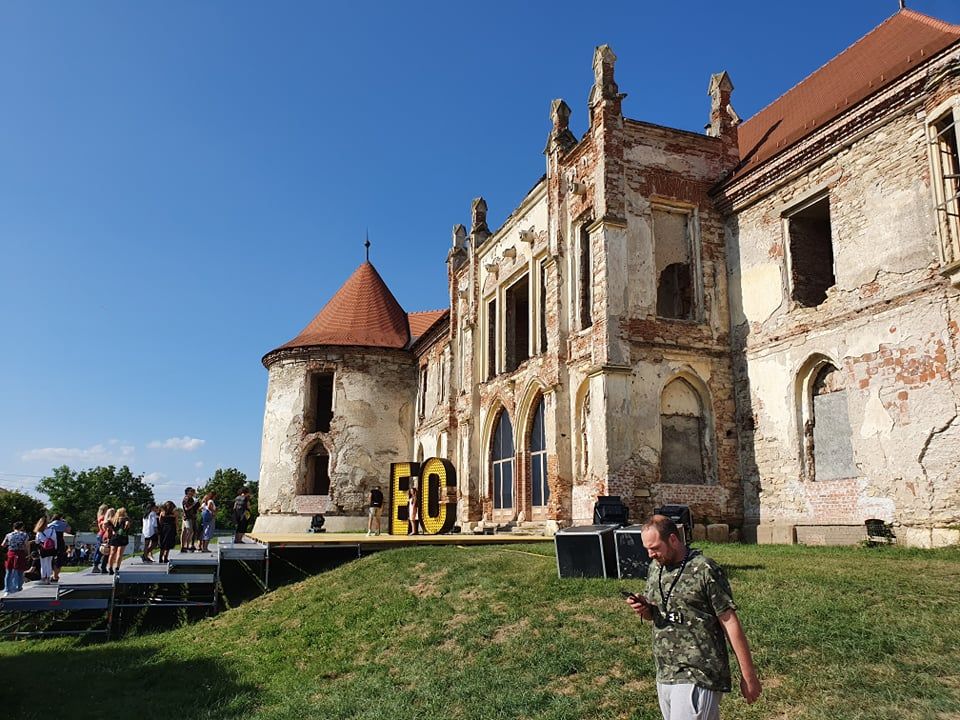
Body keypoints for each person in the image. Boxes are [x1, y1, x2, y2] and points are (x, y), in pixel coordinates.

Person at [624, 515, 761, 720]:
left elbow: (729, 622)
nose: (650, 554)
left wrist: (748, 676)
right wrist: (645, 609)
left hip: (699, 672)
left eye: (654, 548)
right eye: (647, 549)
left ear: (673, 539)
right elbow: (658, 612)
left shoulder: (704, 569)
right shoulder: (656, 567)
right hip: (665, 671)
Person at [2, 521, 30, 596]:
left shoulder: (8, 535)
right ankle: (19, 588)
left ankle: (7, 590)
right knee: (20, 572)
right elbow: (26, 546)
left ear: (14, 527)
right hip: (20, 553)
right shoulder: (24, 535)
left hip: (10, 553)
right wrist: (28, 553)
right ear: (22, 527)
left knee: (8, 572)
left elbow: (3, 544)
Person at [107, 508, 132, 574]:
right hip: (123, 538)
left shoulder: (113, 520)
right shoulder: (126, 520)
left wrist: (111, 533)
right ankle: (117, 568)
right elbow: (127, 526)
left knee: (112, 553)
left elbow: (107, 527)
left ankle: (110, 568)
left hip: (114, 538)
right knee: (119, 554)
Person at [34, 516, 58, 585]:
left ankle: (43, 577)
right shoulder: (52, 530)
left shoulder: (39, 532)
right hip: (51, 549)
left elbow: (37, 541)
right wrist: (55, 548)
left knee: (43, 564)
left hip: (43, 549)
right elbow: (55, 539)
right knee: (49, 563)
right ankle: (48, 578)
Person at [48, 513, 71, 581]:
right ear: (61, 517)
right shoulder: (63, 523)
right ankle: (56, 575)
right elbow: (68, 530)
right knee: (60, 558)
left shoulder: (50, 524)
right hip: (60, 542)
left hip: (52, 542)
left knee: (53, 558)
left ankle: (53, 575)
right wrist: (66, 522)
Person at [91, 504, 109, 573]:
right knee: (101, 550)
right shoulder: (103, 517)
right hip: (102, 535)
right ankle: (96, 565)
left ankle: (95, 565)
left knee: (99, 550)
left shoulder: (99, 516)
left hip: (100, 534)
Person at [181, 487, 198, 553]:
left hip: (190, 517)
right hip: (187, 517)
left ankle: (186, 546)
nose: (193, 493)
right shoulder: (186, 498)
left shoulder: (191, 498)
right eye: (192, 492)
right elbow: (186, 508)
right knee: (190, 531)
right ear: (188, 492)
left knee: (189, 531)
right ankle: (185, 546)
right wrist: (194, 504)